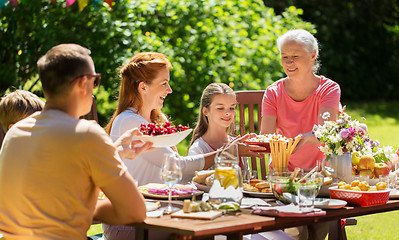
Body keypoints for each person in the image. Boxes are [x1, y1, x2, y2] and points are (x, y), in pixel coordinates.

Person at [0, 44, 154, 240]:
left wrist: (115, 152)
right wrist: (78, 207)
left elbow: (52, 184)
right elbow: (135, 211)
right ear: (83, 83)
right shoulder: (87, 134)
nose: (95, 89)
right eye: (95, 81)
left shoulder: (16, 133)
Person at [103, 52, 262, 240]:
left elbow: (178, 176)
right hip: (131, 224)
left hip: (157, 214)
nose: (169, 90)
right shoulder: (129, 122)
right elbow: (176, 166)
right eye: (164, 83)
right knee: (209, 227)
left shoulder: (154, 121)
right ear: (143, 87)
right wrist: (225, 153)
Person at [260, 29, 341, 240]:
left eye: (295, 56)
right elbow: (266, 135)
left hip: (321, 178)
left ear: (313, 55)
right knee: (298, 229)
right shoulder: (273, 92)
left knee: (316, 228)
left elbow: (327, 130)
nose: (289, 62)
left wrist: (306, 138)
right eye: (284, 57)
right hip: (283, 178)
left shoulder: (328, 89)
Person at [189, 82, 294, 240]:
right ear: (206, 111)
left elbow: (246, 183)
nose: (228, 113)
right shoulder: (199, 149)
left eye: (231, 108)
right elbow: (195, 193)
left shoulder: (238, 144)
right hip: (217, 221)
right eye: (220, 108)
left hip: (246, 214)